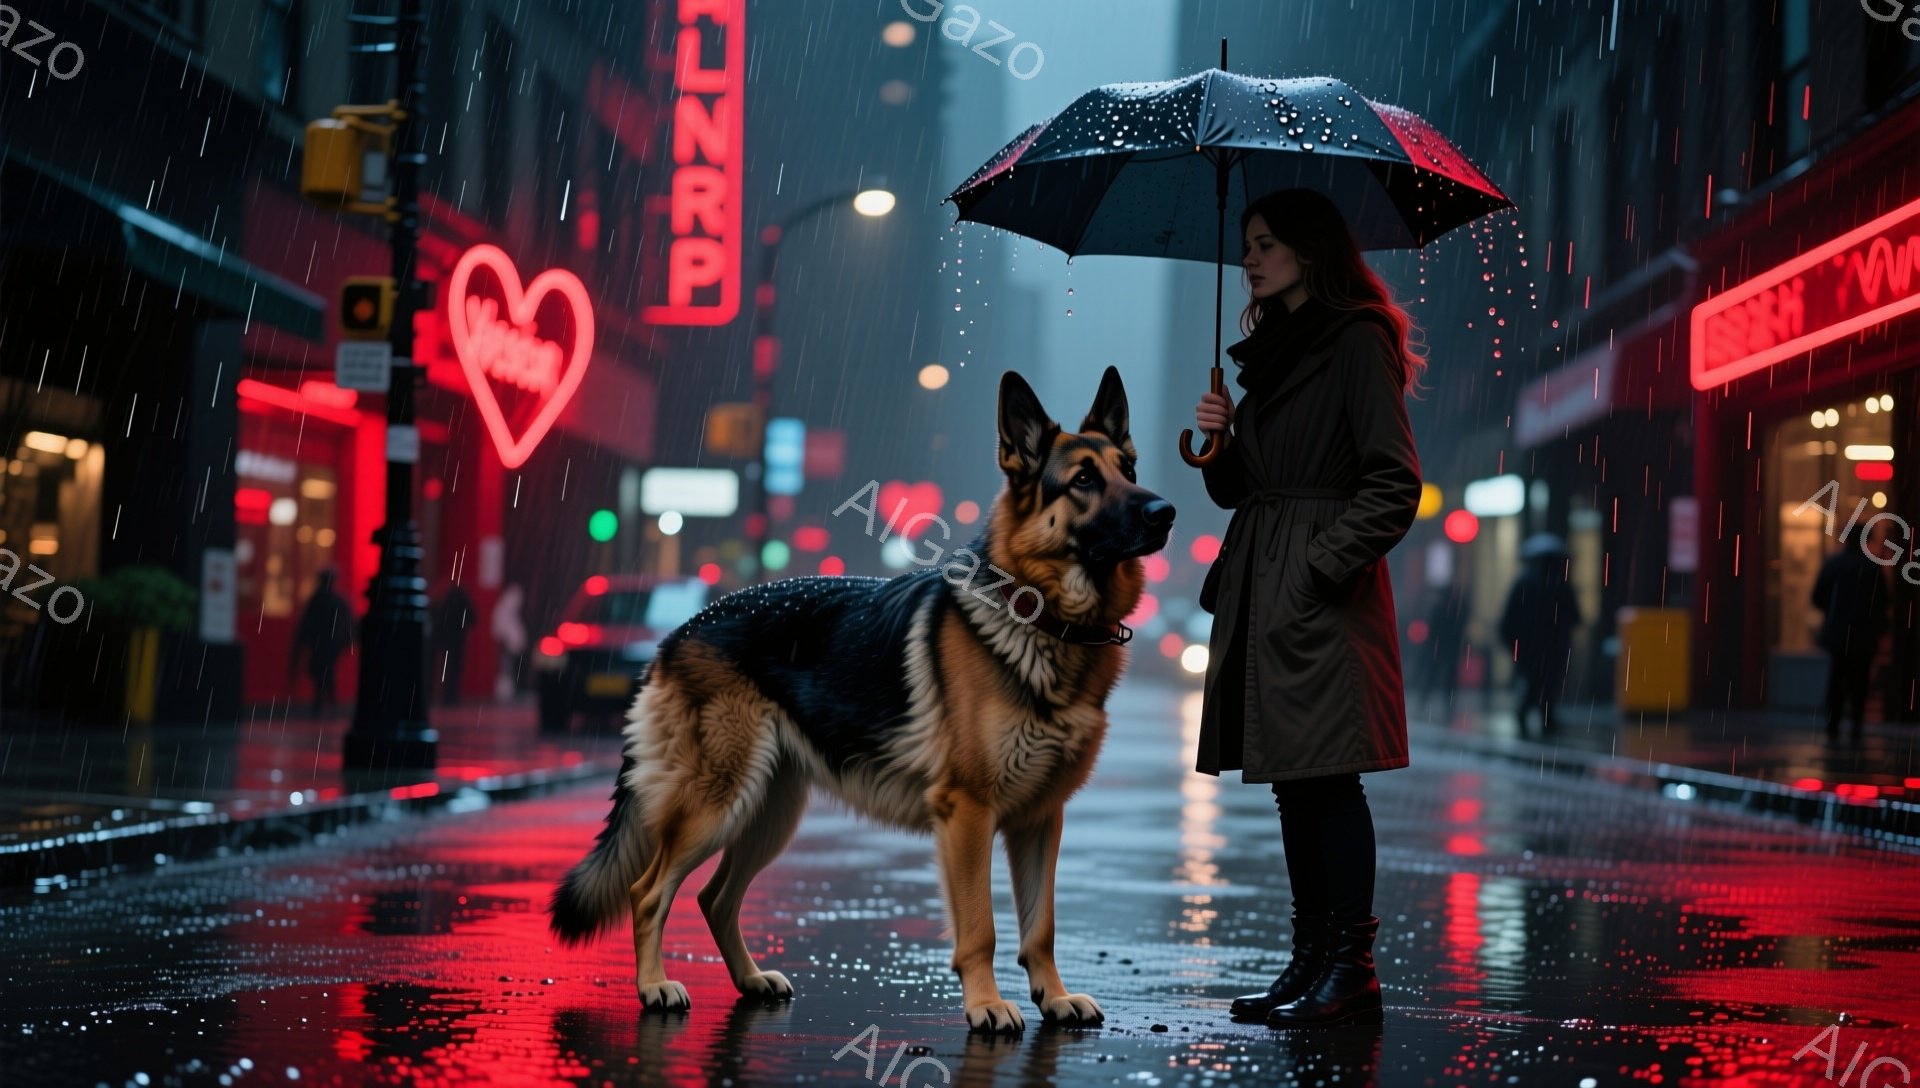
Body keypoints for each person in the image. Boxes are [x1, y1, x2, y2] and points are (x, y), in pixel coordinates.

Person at [1192, 187, 1425, 1029]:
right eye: (1247, 244)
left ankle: (1350, 969)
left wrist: (1318, 567)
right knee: (1295, 784)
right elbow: (1243, 489)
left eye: (1266, 244)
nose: (1250, 259)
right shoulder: (1276, 352)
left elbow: (1394, 481)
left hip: (1317, 589)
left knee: (1328, 781)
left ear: (1310, 250)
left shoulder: (1354, 340)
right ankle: (1311, 960)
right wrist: (1219, 439)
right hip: (1267, 577)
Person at [1813, 520, 1891, 741]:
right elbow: (1882, 603)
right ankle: (1856, 726)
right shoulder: (1872, 568)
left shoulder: (1835, 564)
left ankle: (1833, 725)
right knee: (1860, 682)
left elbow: (1817, 597)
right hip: (1863, 635)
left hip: (1838, 635)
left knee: (1837, 680)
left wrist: (1834, 614)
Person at [1499, 535, 1580, 736]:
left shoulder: (1524, 583)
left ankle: (1530, 716)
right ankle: (1544, 718)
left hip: (1530, 647)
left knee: (1534, 682)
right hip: (1551, 646)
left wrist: (1515, 645)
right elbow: (1574, 617)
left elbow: (1508, 620)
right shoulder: (1560, 585)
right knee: (1548, 683)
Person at [292, 568, 354, 713]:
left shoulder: (316, 600)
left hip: (321, 643)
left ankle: (322, 701)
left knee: (322, 671)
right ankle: (327, 702)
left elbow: (307, 623)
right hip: (329, 644)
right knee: (327, 671)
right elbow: (347, 624)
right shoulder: (336, 601)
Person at [431, 579, 475, 706]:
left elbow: (439, 620)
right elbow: (473, 618)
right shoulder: (462, 599)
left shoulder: (445, 600)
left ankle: (444, 696)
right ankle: (449, 696)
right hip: (457, 640)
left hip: (446, 640)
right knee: (453, 669)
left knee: (446, 668)